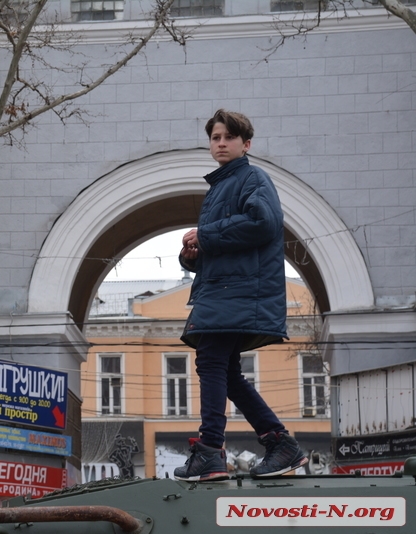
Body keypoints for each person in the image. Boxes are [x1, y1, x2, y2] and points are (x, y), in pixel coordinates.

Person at [173, 109, 308, 482]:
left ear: (245, 144)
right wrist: (192, 256)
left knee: (212, 362)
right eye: (215, 138)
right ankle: (279, 443)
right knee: (226, 371)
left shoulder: (252, 178)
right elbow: (228, 245)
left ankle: (211, 450)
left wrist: (207, 234)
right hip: (225, 289)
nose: (221, 143)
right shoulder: (221, 186)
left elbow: (263, 223)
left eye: (228, 138)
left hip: (237, 293)